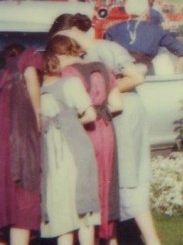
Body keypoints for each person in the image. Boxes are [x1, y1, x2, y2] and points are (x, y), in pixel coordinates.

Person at [48, 14, 161, 245]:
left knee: (127, 179)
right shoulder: (87, 55)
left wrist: (101, 91)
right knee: (113, 179)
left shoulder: (106, 48)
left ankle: (150, 240)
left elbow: (137, 77)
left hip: (124, 115)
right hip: (111, 114)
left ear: (73, 33)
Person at [50, 34, 124, 243]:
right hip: (106, 130)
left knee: (82, 188)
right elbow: (118, 105)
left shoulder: (66, 74)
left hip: (83, 133)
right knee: (106, 185)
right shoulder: (102, 67)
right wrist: (100, 112)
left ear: (57, 54)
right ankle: (109, 237)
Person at [40, 36, 101, 245]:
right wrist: (73, 122)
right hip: (74, 151)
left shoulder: (37, 93)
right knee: (83, 212)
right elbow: (91, 115)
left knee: (62, 214)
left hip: (50, 157)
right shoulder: (70, 84)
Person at [0, 44, 42, 245]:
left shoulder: (4, 77)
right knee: (23, 205)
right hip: (21, 147)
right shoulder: (28, 65)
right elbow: (36, 111)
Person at [104, 17, 183, 75]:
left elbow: (105, 52)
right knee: (163, 57)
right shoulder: (155, 29)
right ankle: (175, 80)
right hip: (145, 69)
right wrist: (178, 70)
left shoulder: (112, 29)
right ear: (145, 12)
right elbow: (182, 50)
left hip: (122, 72)